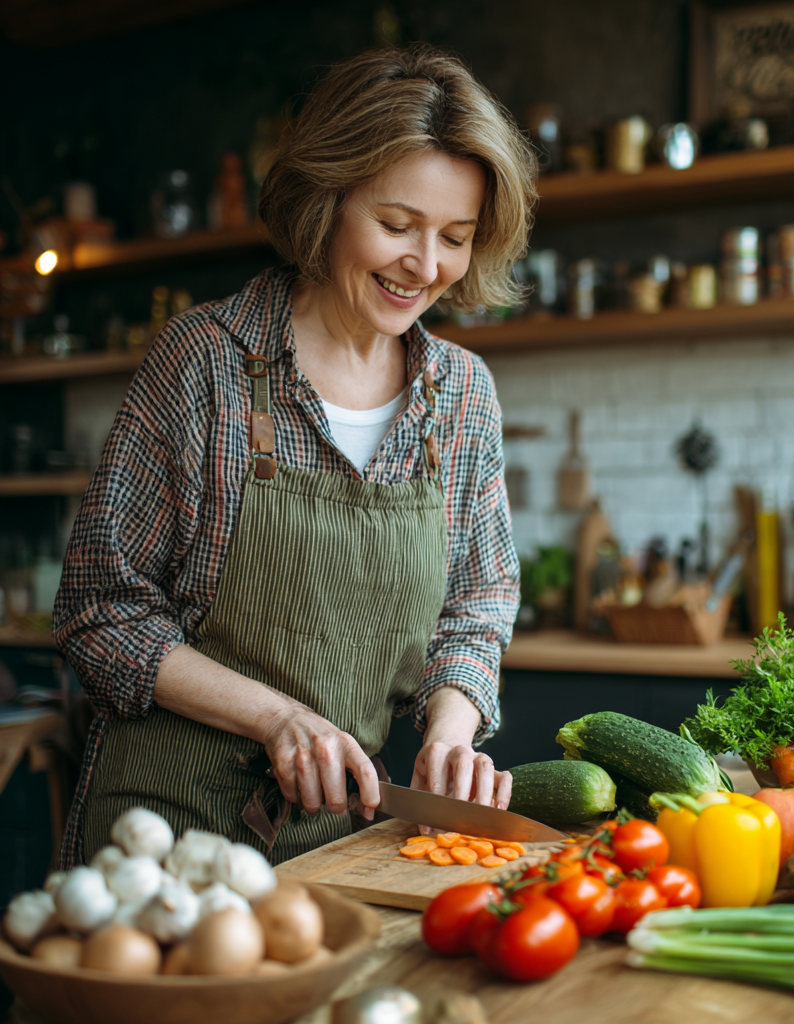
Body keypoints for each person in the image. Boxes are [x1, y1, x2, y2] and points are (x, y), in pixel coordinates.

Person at [53, 44, 536, 866]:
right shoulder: (204, 360)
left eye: (455, 237)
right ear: (327, 198)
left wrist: (451, 731)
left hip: (351, 837)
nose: (426, 266)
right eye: (396, 226)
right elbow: (101, 612)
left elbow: (476, 606)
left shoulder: (460, 394)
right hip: (164, 836)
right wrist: (277, 719)